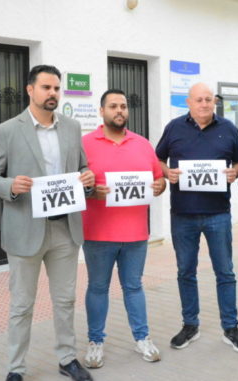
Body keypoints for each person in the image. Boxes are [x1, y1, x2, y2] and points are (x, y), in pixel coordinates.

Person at [0, 65, 95, 381]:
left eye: (56, 88)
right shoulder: (6, 130)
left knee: (65, 300)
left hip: (64, 229)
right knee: (21, 305)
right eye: (46, 87)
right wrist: (10, 186)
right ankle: (16, 368)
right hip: (25, 230)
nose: (53, 93)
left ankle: (67, 359)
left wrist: (88, 178)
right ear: (30, 90)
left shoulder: (71, 127)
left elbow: (83, 169)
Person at [155, 82, 238, 353]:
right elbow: (158, 159)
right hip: (183, 214)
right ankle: (190, 325)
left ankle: (230, 328)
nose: (205, 104)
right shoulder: (174, 128)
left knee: (225, 272)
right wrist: (167, 172)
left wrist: (236, 172)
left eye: (209, 99)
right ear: (189, 102)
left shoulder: (228, 128)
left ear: (215, 102)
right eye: (199, 99)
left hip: (218, 214)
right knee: (186, 271)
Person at [80, 89, 166, 369]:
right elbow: (73, 186)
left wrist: (160, 185)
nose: (120, 111)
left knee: (134, 287)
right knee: (97, 288)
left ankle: (142, 338)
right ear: (101, 111)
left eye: (124, 106)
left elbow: (158, 180)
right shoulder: (84, 144)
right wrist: (92, 192)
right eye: (113, 106)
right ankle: (95, 342)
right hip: (97, 233)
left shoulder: (142, 144)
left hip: (135, 234)